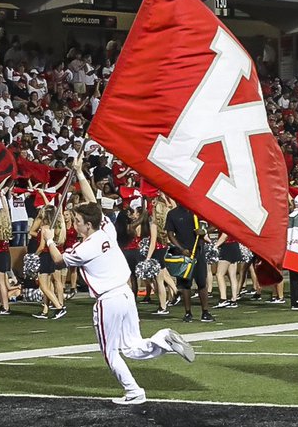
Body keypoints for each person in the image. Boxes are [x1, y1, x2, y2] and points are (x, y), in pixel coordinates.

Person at [43, 157, 195, 405]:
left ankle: (134, 391)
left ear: (87, 224)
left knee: (111, 352)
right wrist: (81, 174)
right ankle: (163, 340)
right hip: (125, 294)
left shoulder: (86, 247)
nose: (75, 224)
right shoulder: (106, 229)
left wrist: (49, 240)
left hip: (108, 300)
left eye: (78, 222)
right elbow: (93, 202)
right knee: (133, 347)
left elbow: (59, 261)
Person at [165, 196, 213, 322]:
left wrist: (204, 231)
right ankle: (188, 313)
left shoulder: (197, 211)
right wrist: (181, 249)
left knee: (202, 282)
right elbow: (170, 234)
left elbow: (215, 225)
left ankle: (205, 312)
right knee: (185, 284)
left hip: (198, 251)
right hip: (183, 254)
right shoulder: (172, 214)